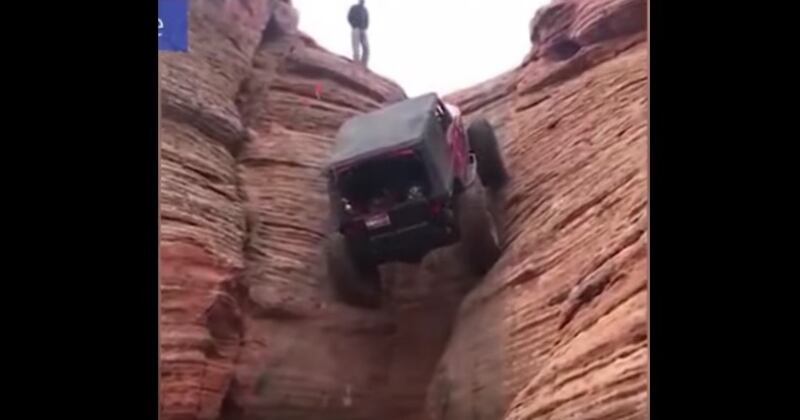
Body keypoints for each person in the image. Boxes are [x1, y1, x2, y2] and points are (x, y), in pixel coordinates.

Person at [348, 0, 370, 67]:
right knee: (356, 47)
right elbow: (349, 17)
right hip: (356, 28)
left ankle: (363, 65)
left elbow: (367, 20)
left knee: (366, 48)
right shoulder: (354, 8)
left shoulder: (365, 10)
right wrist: (354, 25)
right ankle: (356, 63)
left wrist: (365, 27)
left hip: (363, 30)